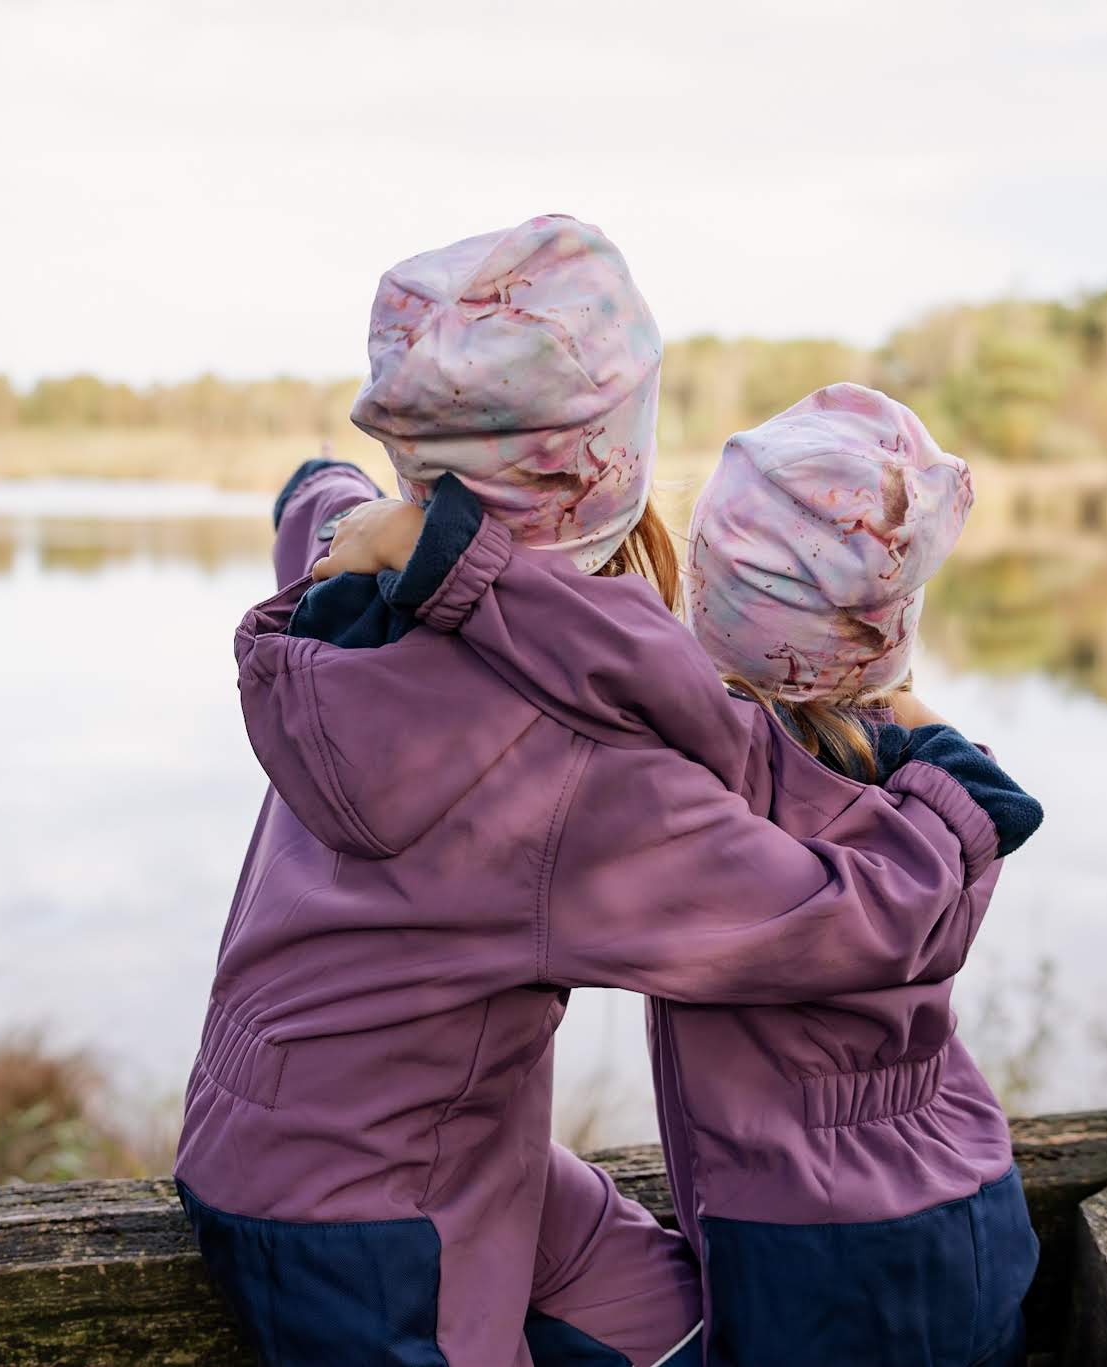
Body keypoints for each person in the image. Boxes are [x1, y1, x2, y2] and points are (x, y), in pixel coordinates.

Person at [175, 215, 1011, 1366]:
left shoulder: (350, 555)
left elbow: (309, 498)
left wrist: (355, 495)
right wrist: (952, 796)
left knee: (665, 1314)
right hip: (363, 1221)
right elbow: (833, 922)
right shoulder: (571, 769)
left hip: (382, 1134)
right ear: (614, 460)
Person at [319, 382, 1043, 1366]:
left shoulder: (735, 773)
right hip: (971, 1185)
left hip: (807, 1235)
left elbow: (584, 650)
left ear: (712, 596)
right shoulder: (929, 774)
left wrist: (428, 542)